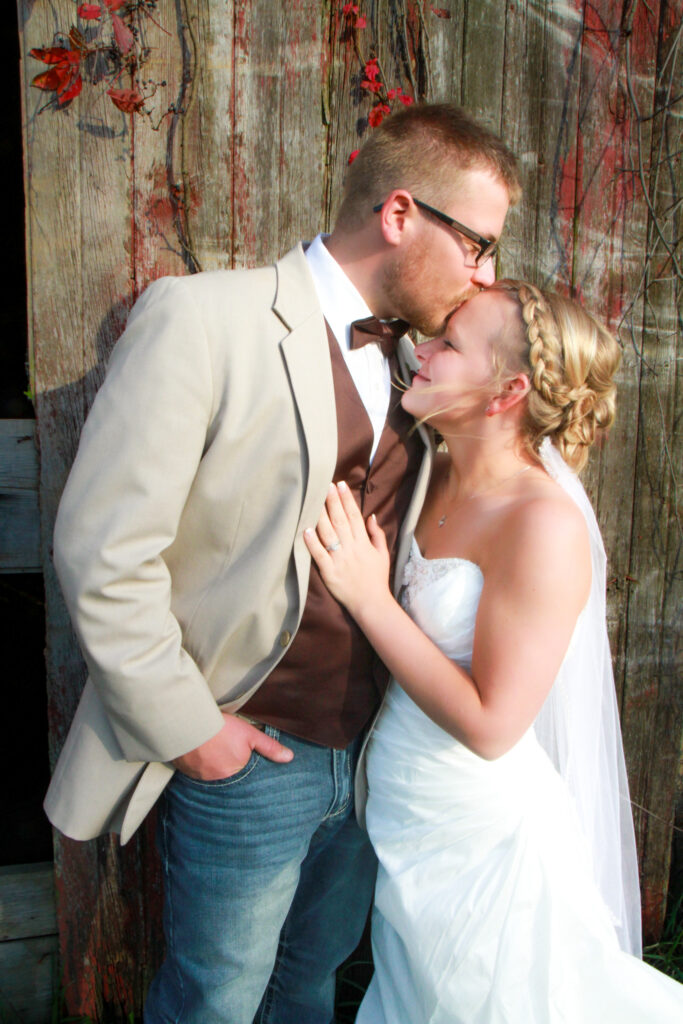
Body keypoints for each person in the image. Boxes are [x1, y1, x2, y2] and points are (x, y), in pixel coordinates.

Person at [43, 105, 521, 1024]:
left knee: (309, 986)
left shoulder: (426, 362)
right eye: (477, 246)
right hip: (249, 751)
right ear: (399, 215)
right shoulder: (204, 319)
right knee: (213, 1002)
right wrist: (194, 732)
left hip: (375, 756)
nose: (484, 276)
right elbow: (103, 549)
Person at [304, 281, 683, 1022]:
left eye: (448, 345)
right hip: (407, 813)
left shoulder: (540, 524)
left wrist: (370, 598)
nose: (421, 350)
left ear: (507, 389)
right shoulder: (430, 469)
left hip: (478, 837)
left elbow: (491, 725)